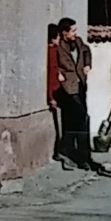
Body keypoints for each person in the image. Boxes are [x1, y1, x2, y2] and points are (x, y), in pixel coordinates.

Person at [54, 16, 95, 171]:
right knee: (80, 118)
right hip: (68, 87)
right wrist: (58, 73)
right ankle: (70, 151)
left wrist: (87, 64)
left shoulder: (78, 42)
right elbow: (53, 62)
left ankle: (81, 155)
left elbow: (86, 50)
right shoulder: (60, 46)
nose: (75, 33)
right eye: (72, 31)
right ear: (64, 33)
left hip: (80, 85)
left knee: (79, 120)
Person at [47, 23, 65, 161]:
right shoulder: (51, 52)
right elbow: (50, 75)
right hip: (56, 93)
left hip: (59, 92)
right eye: (58, 37)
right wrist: (51, 97)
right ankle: (58, 151)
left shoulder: (55, 50)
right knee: (58, 125)